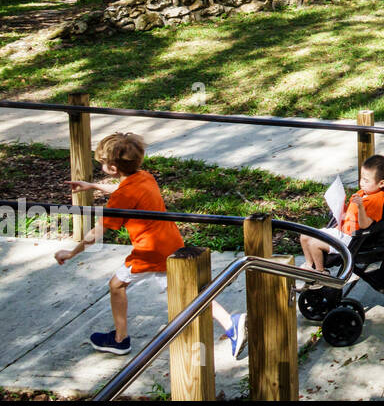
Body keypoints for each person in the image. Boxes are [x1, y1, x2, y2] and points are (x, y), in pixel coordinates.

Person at [55, 132, 248, 358]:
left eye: (104, 163)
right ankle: (231, 323)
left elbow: (98, 230)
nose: (102, 165)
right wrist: (92, 186)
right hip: (170, 242)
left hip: (149, 251)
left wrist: (71, 252)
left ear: (113, 169)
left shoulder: (123, 195)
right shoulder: (145, 177)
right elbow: (123, 190)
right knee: (188, 292)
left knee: (116, 285)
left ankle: (119, 340)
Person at [300, 154, 384, 272]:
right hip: (341, 230)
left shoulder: (377, 201)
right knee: (304, 236)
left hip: (350, 239)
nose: (362, 183)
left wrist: (360, 207)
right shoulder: (364, 192)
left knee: (314, 244)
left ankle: (320, 272)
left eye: (366, 180)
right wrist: (341, 210)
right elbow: (350, 214)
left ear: (381, 184)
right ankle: (309, 265)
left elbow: (365, 225)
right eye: (361, 178)